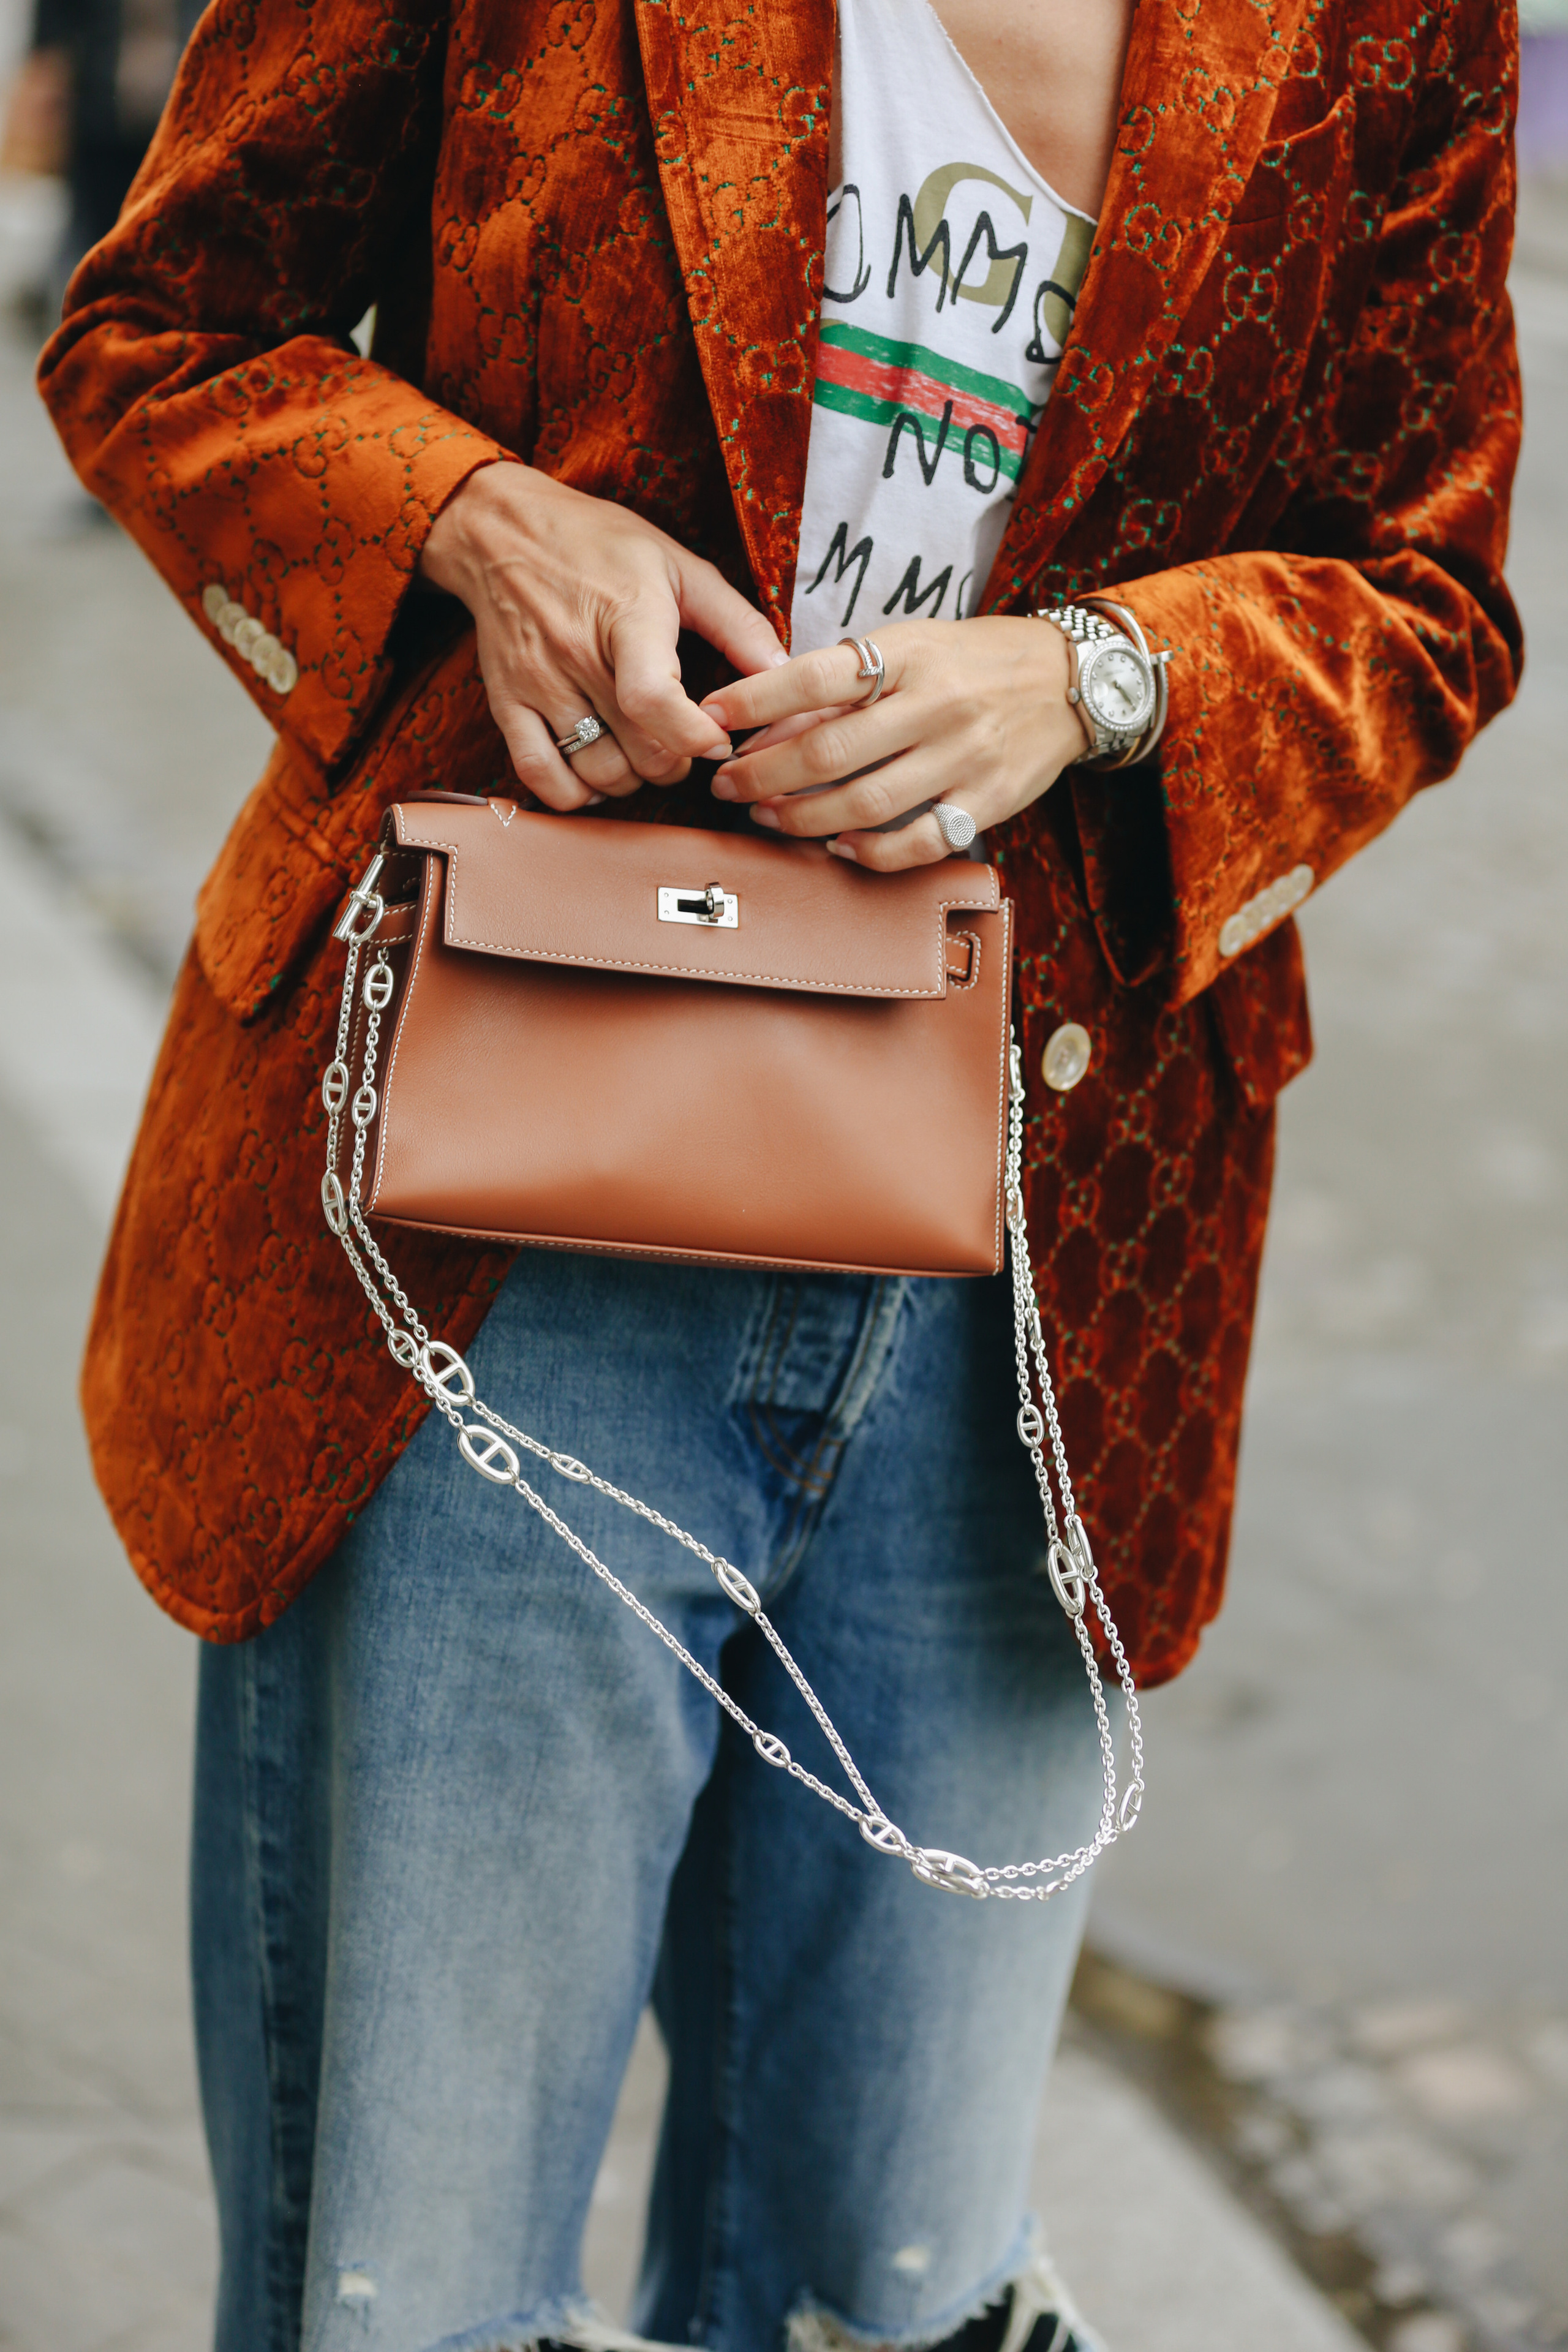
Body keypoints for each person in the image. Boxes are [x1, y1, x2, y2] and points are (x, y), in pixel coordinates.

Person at [37, 0, 1521, 2346]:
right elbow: (160, 329)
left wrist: (1103, 675)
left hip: (1035, 1265)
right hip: (500, 1221)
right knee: (408, 2282)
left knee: (885, 2276)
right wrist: (475, 517)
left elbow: (1427, 589)